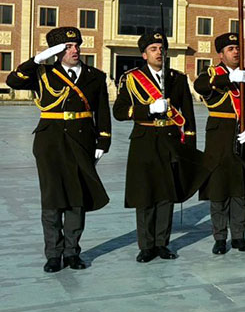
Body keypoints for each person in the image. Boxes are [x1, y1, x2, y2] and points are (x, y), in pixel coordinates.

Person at [6, 27, 111, 273]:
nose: (75, 50)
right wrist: (37, 60)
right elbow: (12, 80)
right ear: (56, 51)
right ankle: (53, 254)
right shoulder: (43, 73)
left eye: (77, 45)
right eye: (68, 47)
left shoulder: (95, 76)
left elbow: (102, 113)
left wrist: (102, 142)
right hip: (50, 143)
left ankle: (72, 252)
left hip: (82, 142)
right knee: (52, 199)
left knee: (77, 199)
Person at [113, 30, 204, 262]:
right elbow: (119, 111)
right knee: (145, 195)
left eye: (161, 48)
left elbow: (189, 115)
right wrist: (148, 109)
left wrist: (189, 147)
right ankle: (146, 245)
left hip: (171, 141)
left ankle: (162, 243)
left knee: (166, 195)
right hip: (144, 141)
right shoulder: (132, 79)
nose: (159, 52)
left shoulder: (177, 78)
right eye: (153, 49)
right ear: (144, 55)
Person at [194, 32, 245, 254]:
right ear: (221, 54)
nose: (236, 52)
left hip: (243, 136)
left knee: (240, 190)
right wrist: (230, 79)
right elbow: (200, 86)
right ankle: (220, 237)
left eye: (237, 48)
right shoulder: (210, 74)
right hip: (219, 138)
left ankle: (239, 236)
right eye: (230, 49)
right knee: (219, 189)